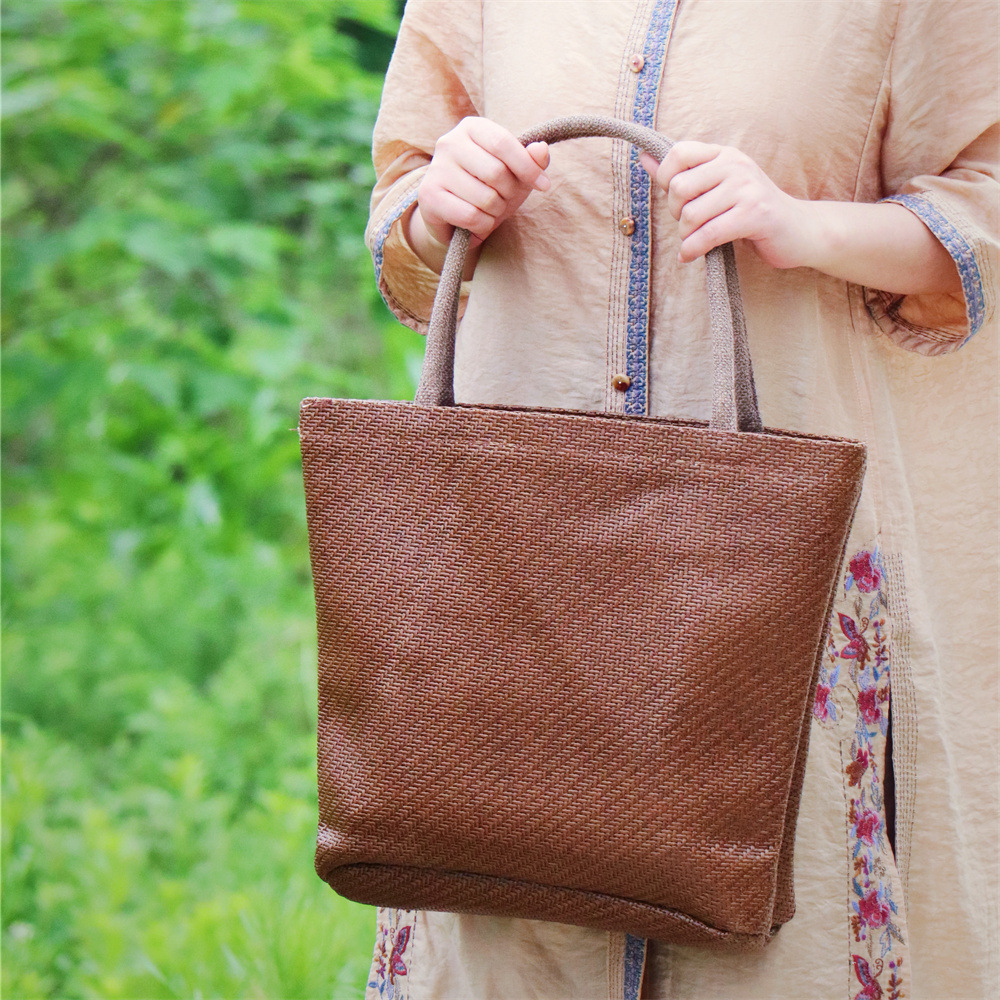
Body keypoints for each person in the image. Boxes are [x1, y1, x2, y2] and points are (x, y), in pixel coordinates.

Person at [361, 1, 998, 997]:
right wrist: (440, 204)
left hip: (775, 563)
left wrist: (802, 225)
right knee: (504, 888)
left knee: (779, 920)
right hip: (512, 558)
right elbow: (401, 228)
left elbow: (983, 215)